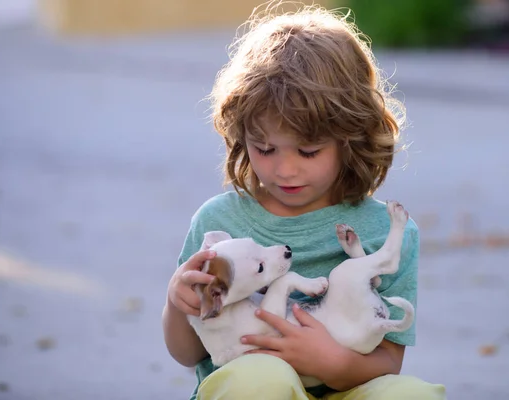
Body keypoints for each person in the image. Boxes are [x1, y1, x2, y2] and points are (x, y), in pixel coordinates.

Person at [162, 2, 446, 399]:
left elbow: (388, 361)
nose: (285, 170)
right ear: (241, 137)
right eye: (265, 149)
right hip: (253, 388)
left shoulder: (385, 230)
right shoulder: (220, 221)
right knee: (261, 378)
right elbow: (187, 352)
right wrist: (179, 303)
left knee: (411, 395)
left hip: (347, 389)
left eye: (308, 151)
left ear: (351, 136)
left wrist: (332, 363)